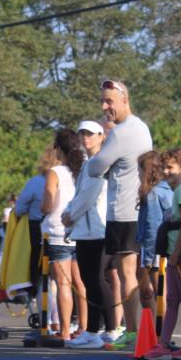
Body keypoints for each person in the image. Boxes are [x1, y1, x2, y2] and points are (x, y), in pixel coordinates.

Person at [85, 79, 154, 348]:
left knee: (127, 274)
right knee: (142, 274)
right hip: (139, 209)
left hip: (124, 212)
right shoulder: (141, 127)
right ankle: (151, 332)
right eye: (102, 101)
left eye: (109, 101)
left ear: (125, 100)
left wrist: (106, 162)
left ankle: (133, 331)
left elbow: (94, 167)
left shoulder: (121, 132)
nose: (105, 107)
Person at [144, 148, 181, 360]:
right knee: (171, 299)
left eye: (170, 167)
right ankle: (163, 343)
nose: (166, 171)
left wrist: (176, 255)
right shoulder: (178, 190)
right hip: (175, 254)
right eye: (164, 168)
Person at [61, 120, 110, 348]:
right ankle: (100, 329)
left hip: (95, 231)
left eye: (90, 134)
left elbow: (89, 197)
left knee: (94, 281)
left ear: (101, 136)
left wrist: (71, 215)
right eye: (82, 134)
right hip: (85, 231)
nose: (85, 138)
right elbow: (78, 195)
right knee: (91, 281)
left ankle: (96, 331)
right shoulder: (89, 164)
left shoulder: (98, 163)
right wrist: (68, 213)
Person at [42, 129, 85, 343]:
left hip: (58, 232)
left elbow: (48, 204)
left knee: (63, 283)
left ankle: (65, 330)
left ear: (58, 149)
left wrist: (41, 208)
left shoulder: (55, 172)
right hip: (81, 231)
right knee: (80, 283)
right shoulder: (83, 170)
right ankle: (84, 329)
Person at [135, 150, 173, 316]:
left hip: (157, 252)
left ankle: (162, 329)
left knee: (160, 293)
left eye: (140, 171)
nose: (138, 175)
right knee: (164, 292)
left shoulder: (154, 194)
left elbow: (153, 228)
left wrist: (148, 259)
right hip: (169, 248)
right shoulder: (169, 190)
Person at [14, 145, 53, 299]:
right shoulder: (71, 179)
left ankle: (34, 290)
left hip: (37, 226)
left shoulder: (36, 182)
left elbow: (20, 208)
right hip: (62, 227)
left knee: (35, 259)